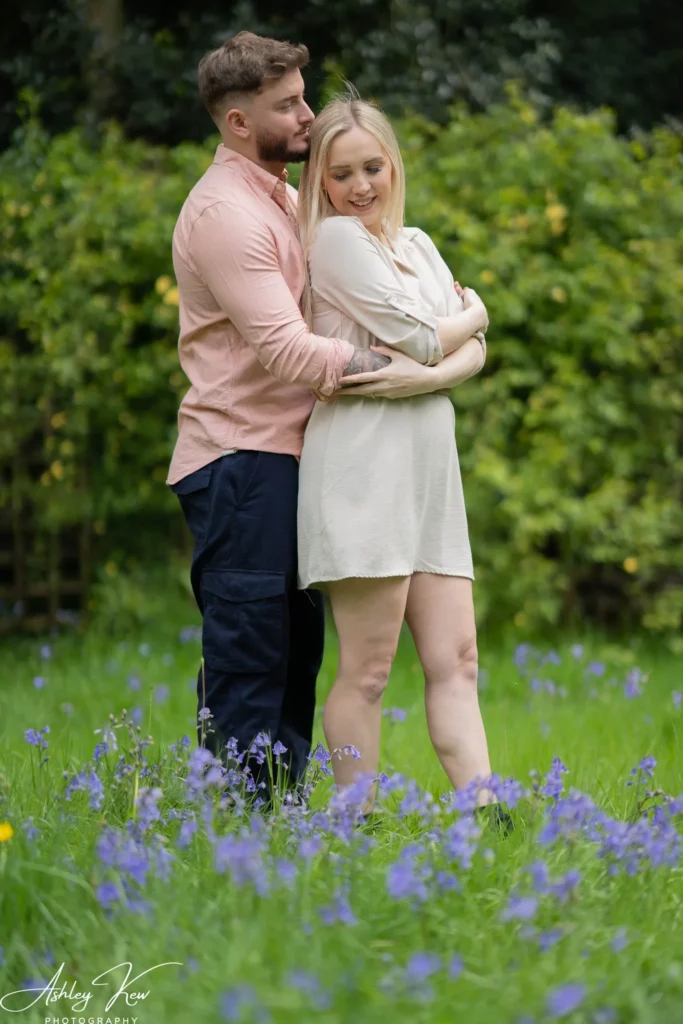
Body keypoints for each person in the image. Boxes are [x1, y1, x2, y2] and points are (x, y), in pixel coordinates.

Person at [167, 32, 485, 795]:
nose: (307, 115)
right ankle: (233, 827)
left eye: (303, 97)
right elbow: (293, 352)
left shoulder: (283, 199)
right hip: (241, 457)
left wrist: (445, 352)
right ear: (238, 121)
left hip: (296, 453)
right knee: (251, 653)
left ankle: (283, 825)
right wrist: (417, 363)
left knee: (292, 654)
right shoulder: (227, 215)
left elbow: (411, 325)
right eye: (287, 105)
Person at [296, 94, 510, 826]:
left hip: (427, 473)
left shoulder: (416, 243)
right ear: (320, 181)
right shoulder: (334, 241)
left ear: (393, 165)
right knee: (370, 669)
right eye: (341, 173)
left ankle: (485, 817)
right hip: (363, 468)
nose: (360, 186)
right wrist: (473, 316)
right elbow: (428, 334)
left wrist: (437, 364)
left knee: (458, 660)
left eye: (372, 168)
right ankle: (354, 824)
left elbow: (461, 354)